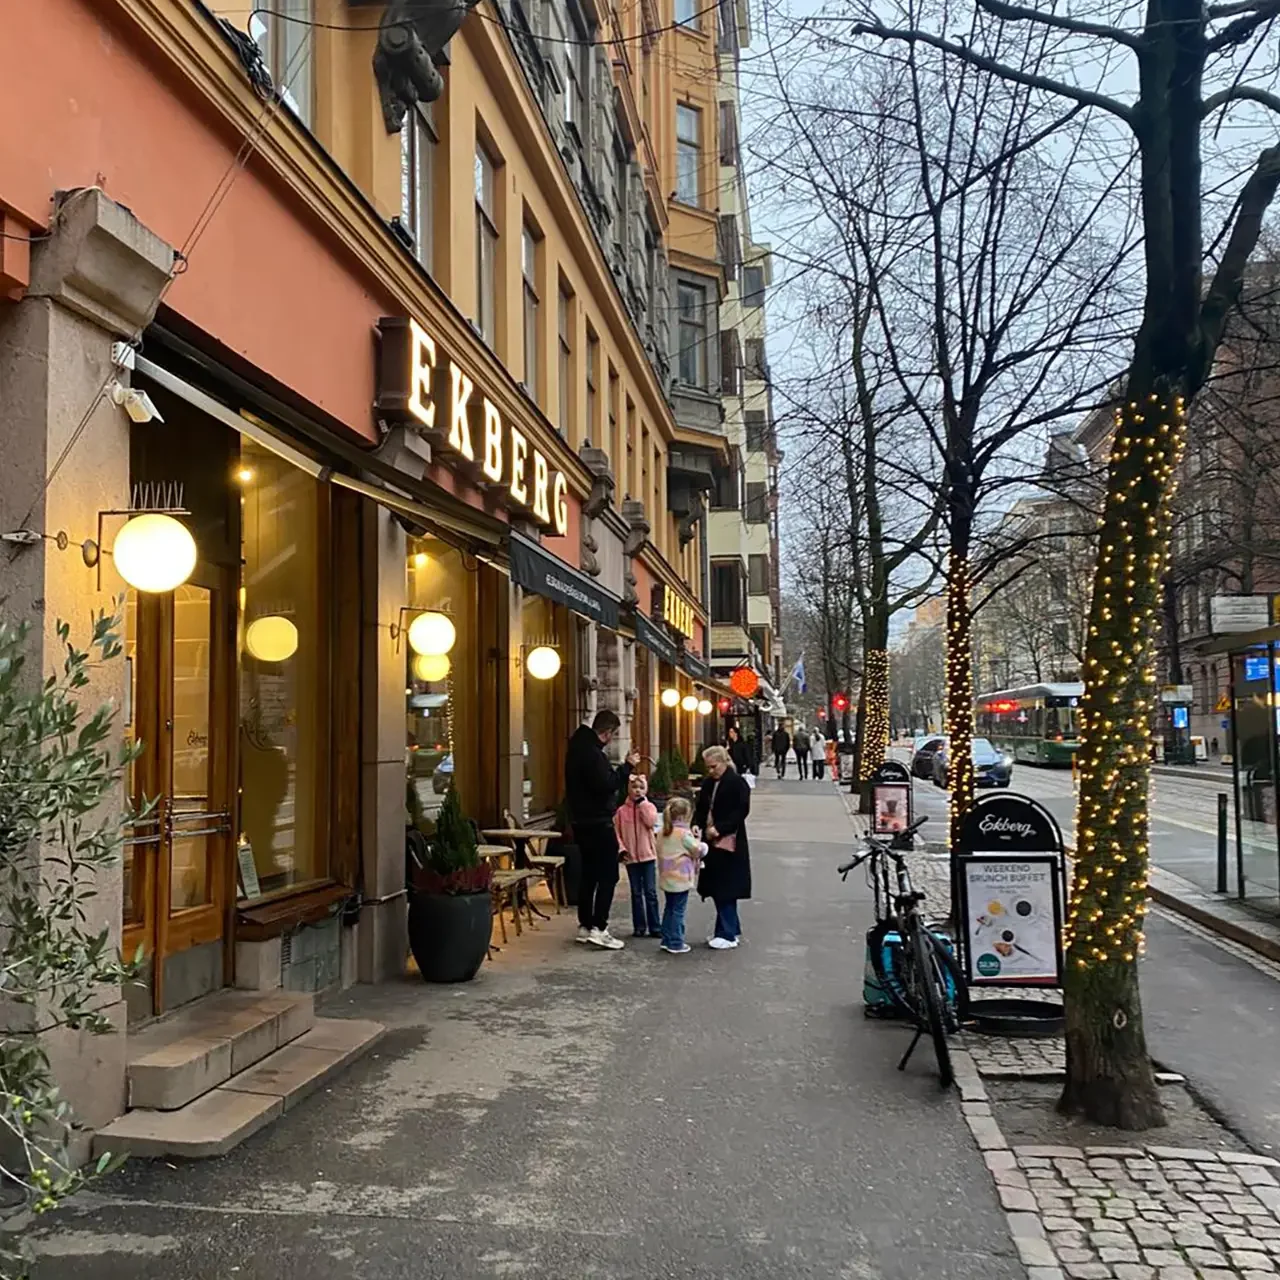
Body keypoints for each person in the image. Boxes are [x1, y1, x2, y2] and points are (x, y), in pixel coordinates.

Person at [565, 708, 639, 949]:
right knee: (608, 875)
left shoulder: (576, 749)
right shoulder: (593, 755)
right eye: (613, 734)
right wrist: (627, 767)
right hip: (598, 822)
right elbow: (606, 784)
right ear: (607, 732)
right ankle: (600, 926)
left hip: (581, 821)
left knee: (589, 874)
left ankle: (586, 925)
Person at [694, 745, 752, 949]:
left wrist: (720, 828)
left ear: (724, 762)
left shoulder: (737, 784)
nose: (710, 771)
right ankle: (729, 929)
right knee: (720, 886)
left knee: (725, 888)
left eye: (713, 766)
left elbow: (741, 812)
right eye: (708, 767)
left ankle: (727, 933)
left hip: (729, 842)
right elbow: (701, 806)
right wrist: (696, 823)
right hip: (712, 841)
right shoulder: (709, 783)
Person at [656, 796, 708, 954]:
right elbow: (698, 850)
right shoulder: (684, 834)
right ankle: (676, 942)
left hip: (667, 876)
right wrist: (702, 843)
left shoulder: (662, 832)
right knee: (678, 910)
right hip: (681, 878)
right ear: (685, 816)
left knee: (669, 908)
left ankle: (666, 939)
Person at [614, 773, 661, 938]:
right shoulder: (621, 811)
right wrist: (621, 850)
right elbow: (617, 833)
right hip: (631, 857)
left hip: (647, 855)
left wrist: (642, 805)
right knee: (636, 892)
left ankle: (655, 926)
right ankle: (639, 926)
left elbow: (650, 822)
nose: (637, 791)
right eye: (634, 787)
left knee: (650, 892)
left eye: (641, 788)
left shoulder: (649, 807)